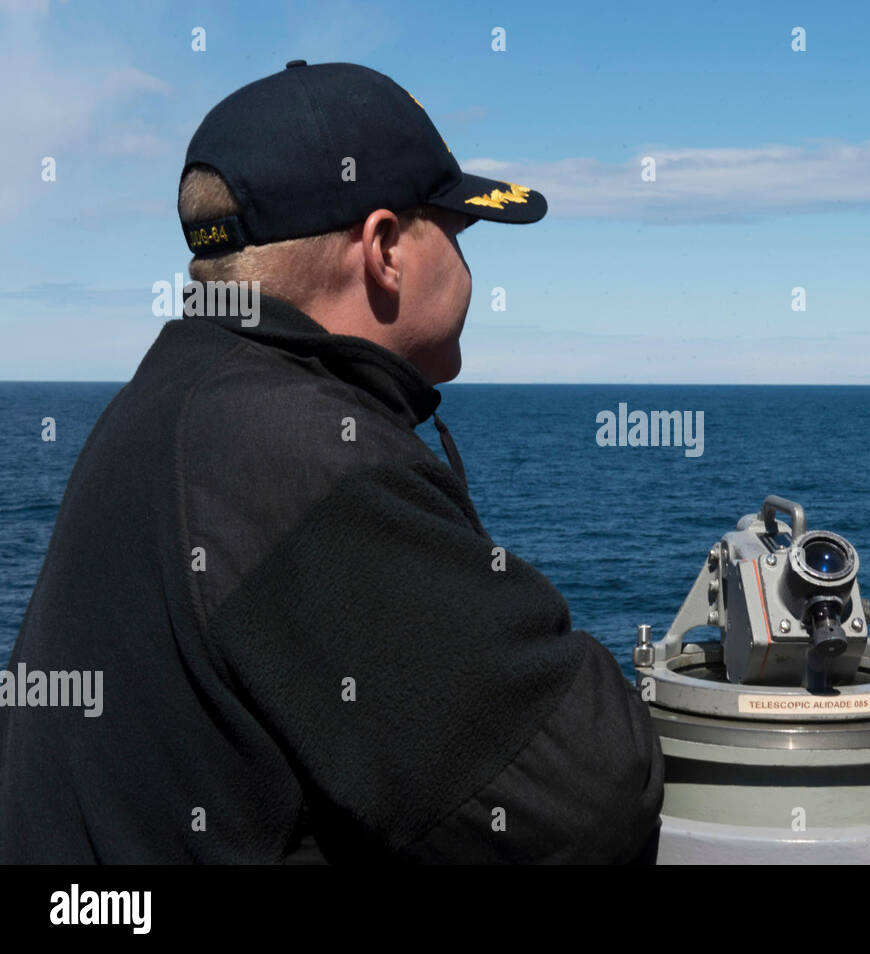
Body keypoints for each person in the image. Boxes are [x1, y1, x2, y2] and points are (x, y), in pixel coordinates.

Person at [0, 61, 664, 863]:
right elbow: (591, 797)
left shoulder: (171, 402)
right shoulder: (297, 452)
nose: (466, 263)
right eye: (452, 229)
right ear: (385, 249)